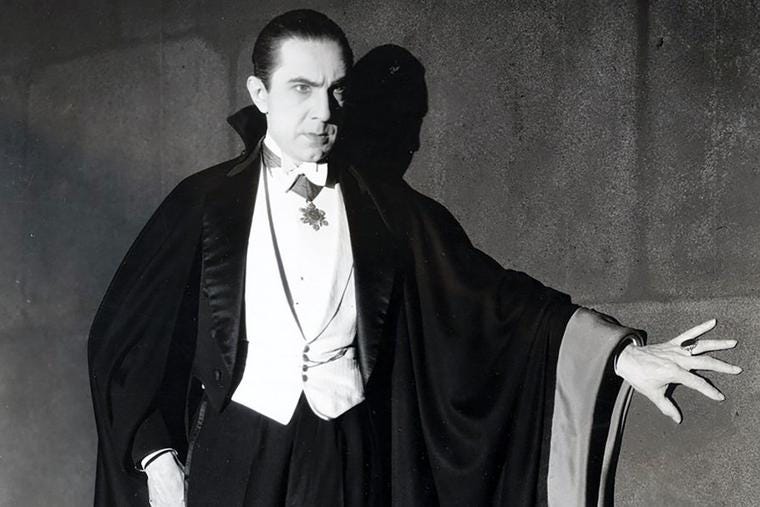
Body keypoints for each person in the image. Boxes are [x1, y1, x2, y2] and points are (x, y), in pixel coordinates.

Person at [88, 9, 741, 507]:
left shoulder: (383, 208)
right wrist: (156, 456)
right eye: (300, 88)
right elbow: (125, 340)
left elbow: (492, 300)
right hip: (238, 452)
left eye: (336, 91)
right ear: (259, 93)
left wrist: (621, 357)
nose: (322, 111)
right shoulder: (203, 203)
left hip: (348, 450)